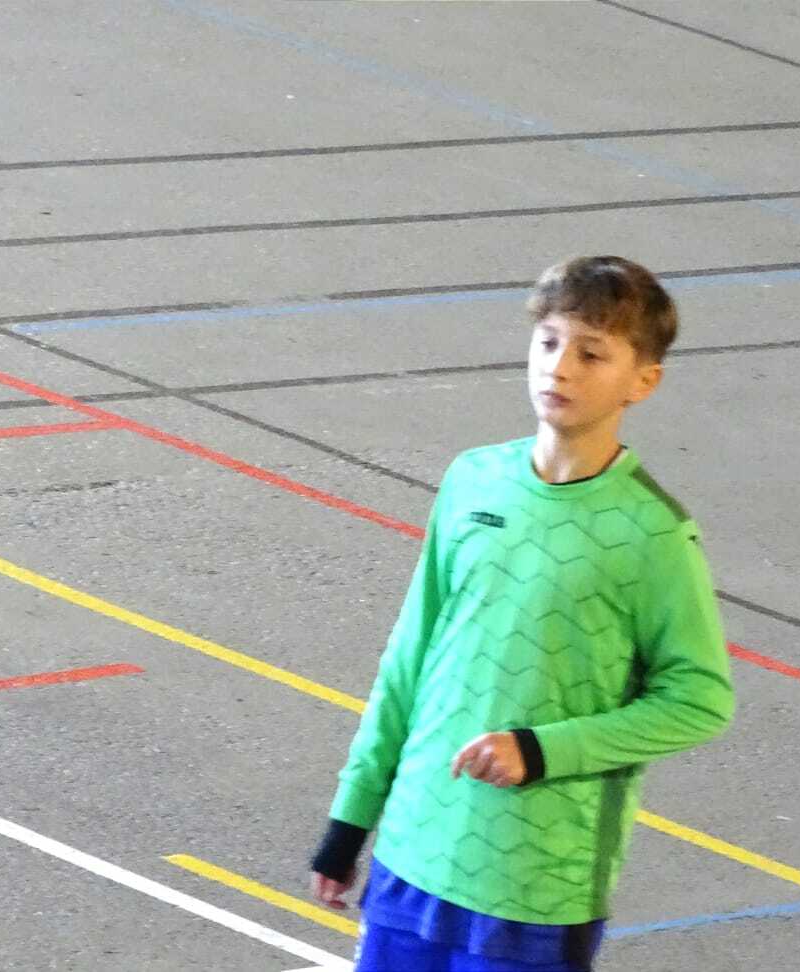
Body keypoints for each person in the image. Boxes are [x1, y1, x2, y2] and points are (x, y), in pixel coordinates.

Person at [309, 255, 735, 972]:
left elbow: (700, 700)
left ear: (643, 381)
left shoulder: (652, 534)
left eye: (591, 353)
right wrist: (351, 820)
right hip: (416, 847)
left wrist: (542, 750)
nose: (559, 368)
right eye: (548, 343)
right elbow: (410, 657)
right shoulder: (473, 479)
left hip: (536, 882)